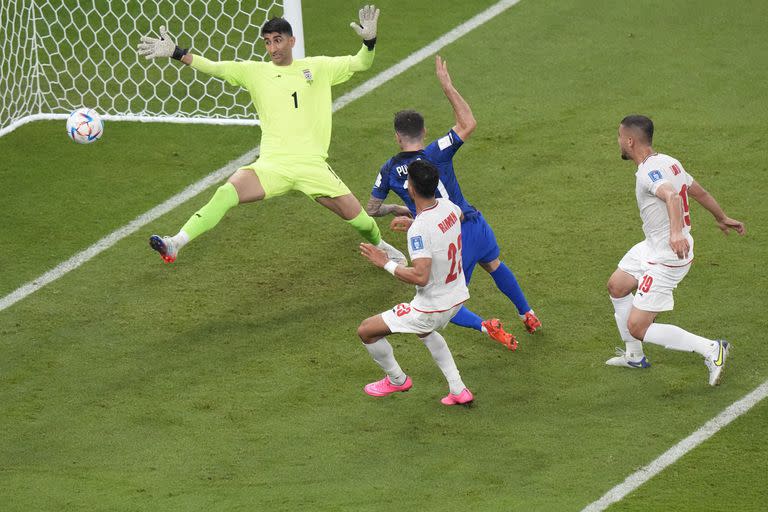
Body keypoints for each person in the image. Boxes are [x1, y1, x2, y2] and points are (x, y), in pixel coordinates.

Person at [136, 6, 405, 266]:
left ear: (292, 41)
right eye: (267, 42)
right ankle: (176, 242)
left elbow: (361, 62)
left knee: (359, 220)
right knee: (226, 192)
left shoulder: (319, 67)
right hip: (272, 165)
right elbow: (214, 67)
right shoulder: (255, 72)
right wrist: (176, 52)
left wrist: (369, 41)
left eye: (278, 40)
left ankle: (380, 245)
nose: (273, 48)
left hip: (312, 166)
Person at [366, 55, 540, 349]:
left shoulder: (388, 170)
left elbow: (372, 208)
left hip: (449, 236)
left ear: (397, 137)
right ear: (424, 131)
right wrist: (447, 86)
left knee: (445, 305)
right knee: (495, 265)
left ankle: (486, 326)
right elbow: (468, 122)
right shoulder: (437, 151)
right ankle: (528, 313)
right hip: (473, 220)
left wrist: (399, 209)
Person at [606, 115, 745, 386]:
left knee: (638, 326)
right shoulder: (669, 161)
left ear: (630, 140)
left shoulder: (649, 171)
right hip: (652, 245)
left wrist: (676, 232)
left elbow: (670, 195)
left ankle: (711, 349)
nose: (618, 142)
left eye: (619, 137)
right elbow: (699, 192)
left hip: (668, 256)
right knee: (617, 286)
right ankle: (634, 356)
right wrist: (721, 216)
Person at [358, 159, 473, 405]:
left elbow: (420, 275)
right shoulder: (447, 205)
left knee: (366, 331)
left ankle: (396, 380)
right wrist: (418, 226)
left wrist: (384, 262)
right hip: (457, 296)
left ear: (410, 188)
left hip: (432, 305)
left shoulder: (421, 229)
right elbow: (459, 218)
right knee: (425, 331)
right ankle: (458, 389)